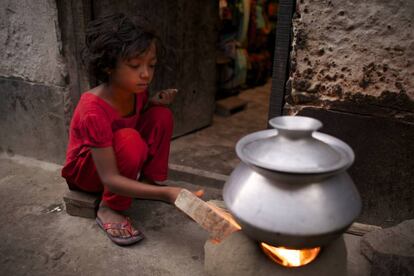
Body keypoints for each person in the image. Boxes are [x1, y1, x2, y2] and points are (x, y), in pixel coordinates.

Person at [61, 13, 204, 246]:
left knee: (161, 115)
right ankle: (109, 208)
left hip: (120, 158)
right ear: (108, 67)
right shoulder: (92, 109)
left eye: (152, 65)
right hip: (88, 174)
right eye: (135, 65)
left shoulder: (136, 92)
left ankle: (147, 182)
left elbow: (131, 119)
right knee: (129, 139)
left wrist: (153, 103)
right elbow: (110, 177)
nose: (146, 74)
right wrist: (168, 194)